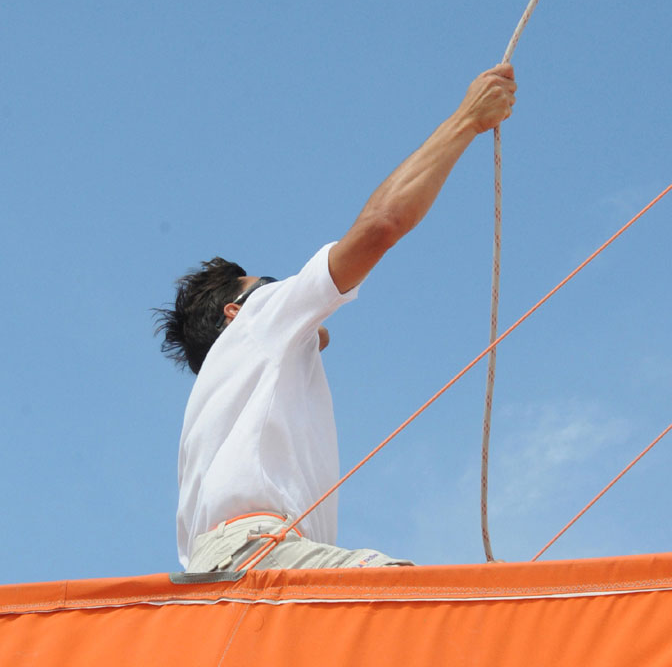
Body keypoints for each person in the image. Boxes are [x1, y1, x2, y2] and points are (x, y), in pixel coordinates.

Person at [156, 65, 517, 574]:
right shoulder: (257, 320)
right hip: (260, 552)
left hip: (222, 575)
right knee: (438, 614)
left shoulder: (221, 401)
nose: (279, 294)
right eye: (269, 283)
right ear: (234, 313)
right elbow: (379, 228)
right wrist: (467, 120)